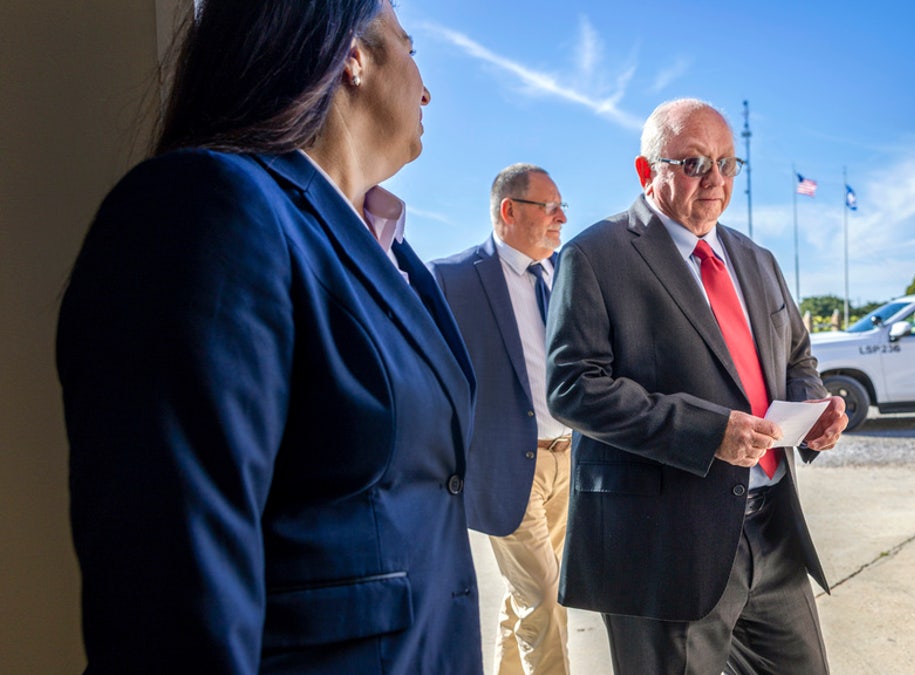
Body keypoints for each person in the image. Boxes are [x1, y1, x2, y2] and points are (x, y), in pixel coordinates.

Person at [56, 2, 483, 672]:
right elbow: (170, 587)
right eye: (411, 46)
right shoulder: (206, 204)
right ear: (353, 57)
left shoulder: (397, 256)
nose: (425, 88)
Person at [545, 98, 849, 674]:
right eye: (694, 164)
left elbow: (798, 358)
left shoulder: (755, 258)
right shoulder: (594, 254)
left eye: (728, 164)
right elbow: (572, 386)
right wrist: (708, 431)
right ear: (647, 171)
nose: (715, 180)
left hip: (772, 529)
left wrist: (814, 409)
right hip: (664, 544)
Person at [429, 164, 573, 675]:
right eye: (549, 207)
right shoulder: (450, 278)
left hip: (567, 461)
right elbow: (428, 378)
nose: (561, 218)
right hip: (505, 466)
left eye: (562, 208)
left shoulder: (565, 276)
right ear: (509, 211)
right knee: (545, 599)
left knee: (528, 597)